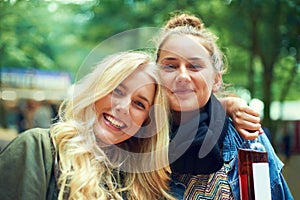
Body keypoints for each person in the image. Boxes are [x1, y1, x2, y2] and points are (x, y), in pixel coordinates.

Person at [0, 51, 175, 200]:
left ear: (146, 122)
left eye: (139, 104)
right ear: (97, 90)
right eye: (117, 90)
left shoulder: (140, 185)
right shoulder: (37, 148)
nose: (123, 108)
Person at [155, 13, 293, 199]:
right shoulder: (138, 139)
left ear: (216, 80)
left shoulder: (247, 138)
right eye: (170, 66)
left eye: (195, 66)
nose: (182, 76)